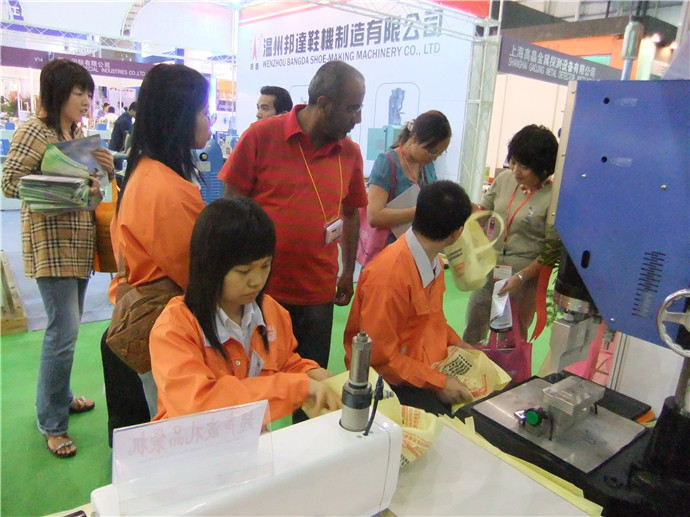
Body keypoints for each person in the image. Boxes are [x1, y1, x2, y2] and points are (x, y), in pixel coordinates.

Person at [219, 60, 368, 369]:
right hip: (261, 290)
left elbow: (351, 213)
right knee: (260, 378)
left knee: (311, 377)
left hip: (318, 294)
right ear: (324, 105)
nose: (358, 118)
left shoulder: (350, 153)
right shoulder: (260, 136)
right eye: (352, 109)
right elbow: (230, 205)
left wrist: (347, 271)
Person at [1, 58, 115, 458]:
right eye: (78, 92)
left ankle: (60, 396)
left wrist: (101, 175)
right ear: (57, 93)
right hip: (50, 244)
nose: (86, 101)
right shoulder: (33, 131)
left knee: (68, 328)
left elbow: (90, 190)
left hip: (79, 242)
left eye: (89, 94)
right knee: (62, 332)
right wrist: (62, 183)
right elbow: (9, 182)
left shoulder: (77, 134)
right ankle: (52, 422)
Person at [150, 197, 342, 421]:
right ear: (209, 267)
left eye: (265, 266)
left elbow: (283, 360)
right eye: (243, 271)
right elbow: (200, 404)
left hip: (250, 436)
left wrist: (308, 372)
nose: (257, 281)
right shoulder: (174, 329)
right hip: (191, 440)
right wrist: (294, 387)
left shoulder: (271, 311)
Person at [104, 63, 210, 438]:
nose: (209, 120)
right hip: (166, 327)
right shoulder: (167, 190)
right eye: (203, 111)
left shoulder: (145, 171)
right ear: (180, 116)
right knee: (176, 429)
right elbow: (197, 276)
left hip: (144, 319)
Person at [344, 180, 474, 416]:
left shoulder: (433, 262)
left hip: (420, 368)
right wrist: (438, 383)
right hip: (389, 382)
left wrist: (458, 344)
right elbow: (380, 360)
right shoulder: (389, 277)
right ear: (456, 233)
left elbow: (433, 320)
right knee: (459, 423)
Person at [462, 124, 559, 346]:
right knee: (474, 324)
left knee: (511, 339)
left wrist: (522, 277)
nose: (516, 170)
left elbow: (552, 250)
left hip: (523, 278)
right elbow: (482, 215)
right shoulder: (504, 180)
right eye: (513, 161)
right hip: (489, 268)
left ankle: (506, 370)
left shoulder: (553, 197)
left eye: (524, 166)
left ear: (543, 168)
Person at [366, 110, 451, 241]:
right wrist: (419, 212)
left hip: (419, 244)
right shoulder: (387, 163)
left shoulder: (427, 165)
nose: (434, 158)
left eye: (439, 154)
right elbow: (374, 217)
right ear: (414, 138)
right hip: (390, 247)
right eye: (431, 152)